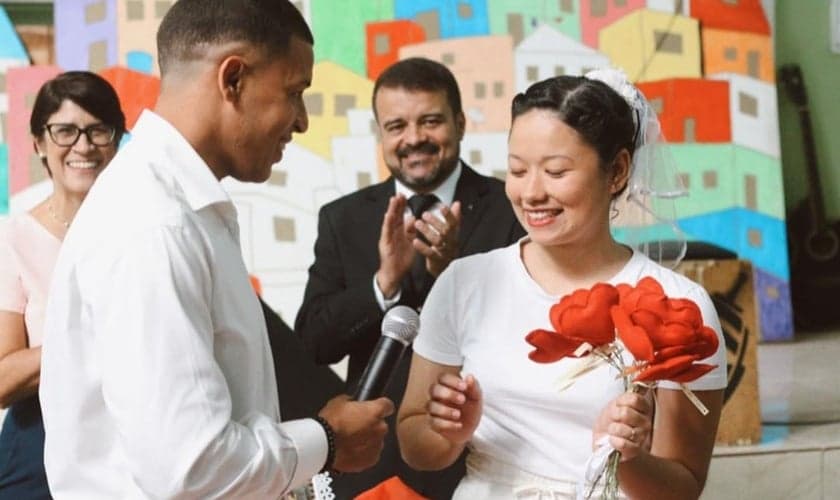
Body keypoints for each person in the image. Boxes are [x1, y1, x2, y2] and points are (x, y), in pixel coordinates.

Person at [38, 2, 392, 498]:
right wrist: (327, 439)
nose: (302, 121)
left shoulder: (179, 207)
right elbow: (190, 468)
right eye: (294, 93)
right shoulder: (155, 223)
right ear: (233, 79)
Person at [396, 72, 727, 499]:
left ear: (618, 171)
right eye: (517, 169)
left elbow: (682, 487)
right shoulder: (464, 284)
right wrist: (449, 433)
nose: (531, 192)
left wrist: (627, 459)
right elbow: (413, 442)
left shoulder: (679, 305)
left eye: (555, 171)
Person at [295, 57, 524, 498]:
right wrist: (383, 285)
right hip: (372, 461)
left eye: (431, 121)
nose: (414, 138)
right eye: (396, 125)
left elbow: (525, 334)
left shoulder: (510, 208)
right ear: (381, 134)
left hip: (481, 453)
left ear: (459, 123)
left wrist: (452, 276)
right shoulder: (342, 219)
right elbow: (314, 344)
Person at [0, 71, 125, 499]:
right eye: (65, 131)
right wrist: (85, 340)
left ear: (117, 140)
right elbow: (2, 378)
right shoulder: (12, 239)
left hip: (130, 444)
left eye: (98, 131)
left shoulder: (143, 232)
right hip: (38, 450)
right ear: (39, 143)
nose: (84, 146)